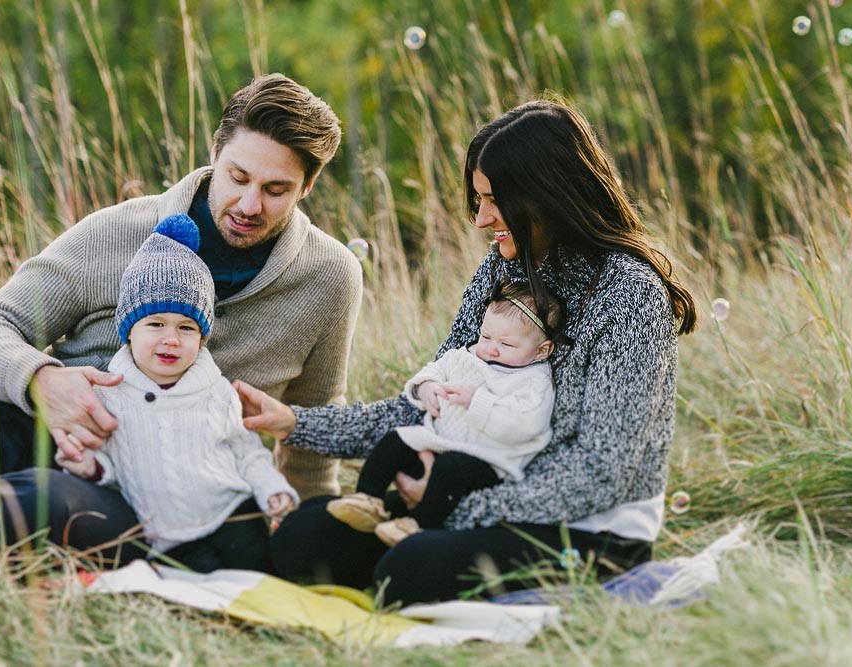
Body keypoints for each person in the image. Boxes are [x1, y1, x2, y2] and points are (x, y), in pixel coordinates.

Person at [235, 96, 697, 605]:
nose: (481, 219)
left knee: (408, 569)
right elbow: (431, 400)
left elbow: (602, 471)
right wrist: (295, 423)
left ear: (547, 193)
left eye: (494, 200)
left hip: (589, 526)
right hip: (464, 485)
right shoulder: (503, 270)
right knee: (306, 536)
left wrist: (453, 506)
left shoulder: (628, 292)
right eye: (478, 199)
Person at [0, 73, 361, 565]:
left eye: (276, 189)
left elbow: (314, 422)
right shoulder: (116, 230)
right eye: (238, 177)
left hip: (150, 490)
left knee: (30, 504)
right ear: (215, 152)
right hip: (35, 423)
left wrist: (308, 538)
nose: (249, 205)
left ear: (307, 186)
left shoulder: (329, 278)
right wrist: (44, 380)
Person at [53, 215, 298, 572]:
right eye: (156, 324)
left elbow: (247, 455)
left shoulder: (216, 393)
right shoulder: (110, 395)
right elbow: (113, 468)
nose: (171, 339)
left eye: (186, 327)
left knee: (257, 573)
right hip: (165, 534)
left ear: (201, 338)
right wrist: (89, 467)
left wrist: (272, 488)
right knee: (192, 584)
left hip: (233, 513)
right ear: (129, 332)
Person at [326, 282, 559, 547]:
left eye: (506, 344)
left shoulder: (533, 380)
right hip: (439, 441)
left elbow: (525, 425)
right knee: (396, 440)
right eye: (486, 337)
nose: (491, 349)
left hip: (488, 460)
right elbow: (435, 369)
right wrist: (426, 387)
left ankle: (418, 525)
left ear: (542, 350)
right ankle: (367, 500)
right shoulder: (468, 356)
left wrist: (477, 401)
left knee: (451, 469)